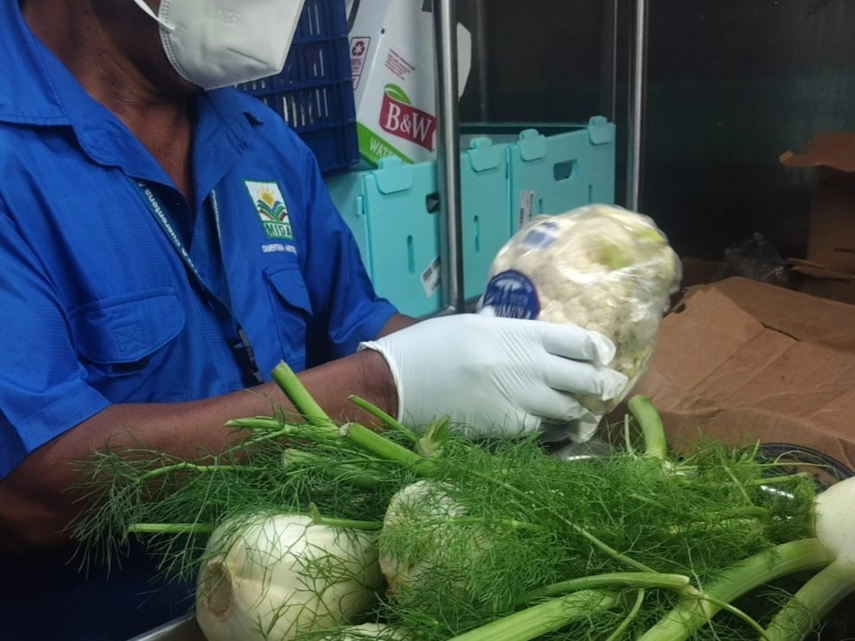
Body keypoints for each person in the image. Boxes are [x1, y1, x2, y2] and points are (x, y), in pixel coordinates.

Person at [0, 0, 627, 638]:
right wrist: (384, 386)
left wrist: (513, 363)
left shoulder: (261, 142)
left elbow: (354, 322)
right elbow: (31, 492)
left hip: (313, 594)